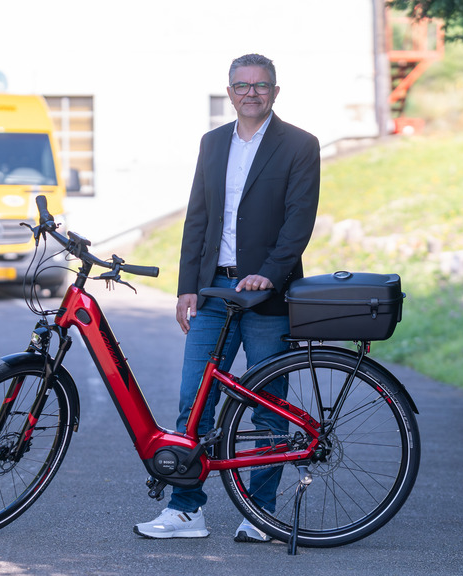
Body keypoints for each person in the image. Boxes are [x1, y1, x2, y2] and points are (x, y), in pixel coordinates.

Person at [133, 54, 320, 542]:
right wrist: (185, 285)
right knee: (193, 401)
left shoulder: (300, 145)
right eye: (242, 85)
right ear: (230, 91)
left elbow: (298, 222)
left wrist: (270, 276)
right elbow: (198, 217)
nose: (251, 93)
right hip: (213, 290)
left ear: (275, 91)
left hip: (266, 297)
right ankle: (185, 510)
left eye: (261, 86)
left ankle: (260, 514)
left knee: (267, 406)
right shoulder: (212, 143)